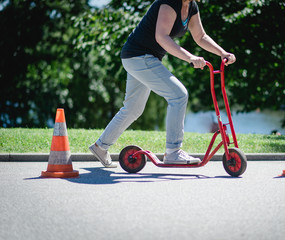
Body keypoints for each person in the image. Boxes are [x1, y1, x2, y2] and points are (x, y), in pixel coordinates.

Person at [89, 0, 236, 168]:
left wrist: (222, 53)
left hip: (138, 58)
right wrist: (190, 58)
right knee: (178, 95)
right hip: (140, 56)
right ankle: (173, 151)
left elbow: (200, 36)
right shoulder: (170, 2)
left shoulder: (192, 7)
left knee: (132, 109)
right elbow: (161, 36)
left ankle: (100, 146)